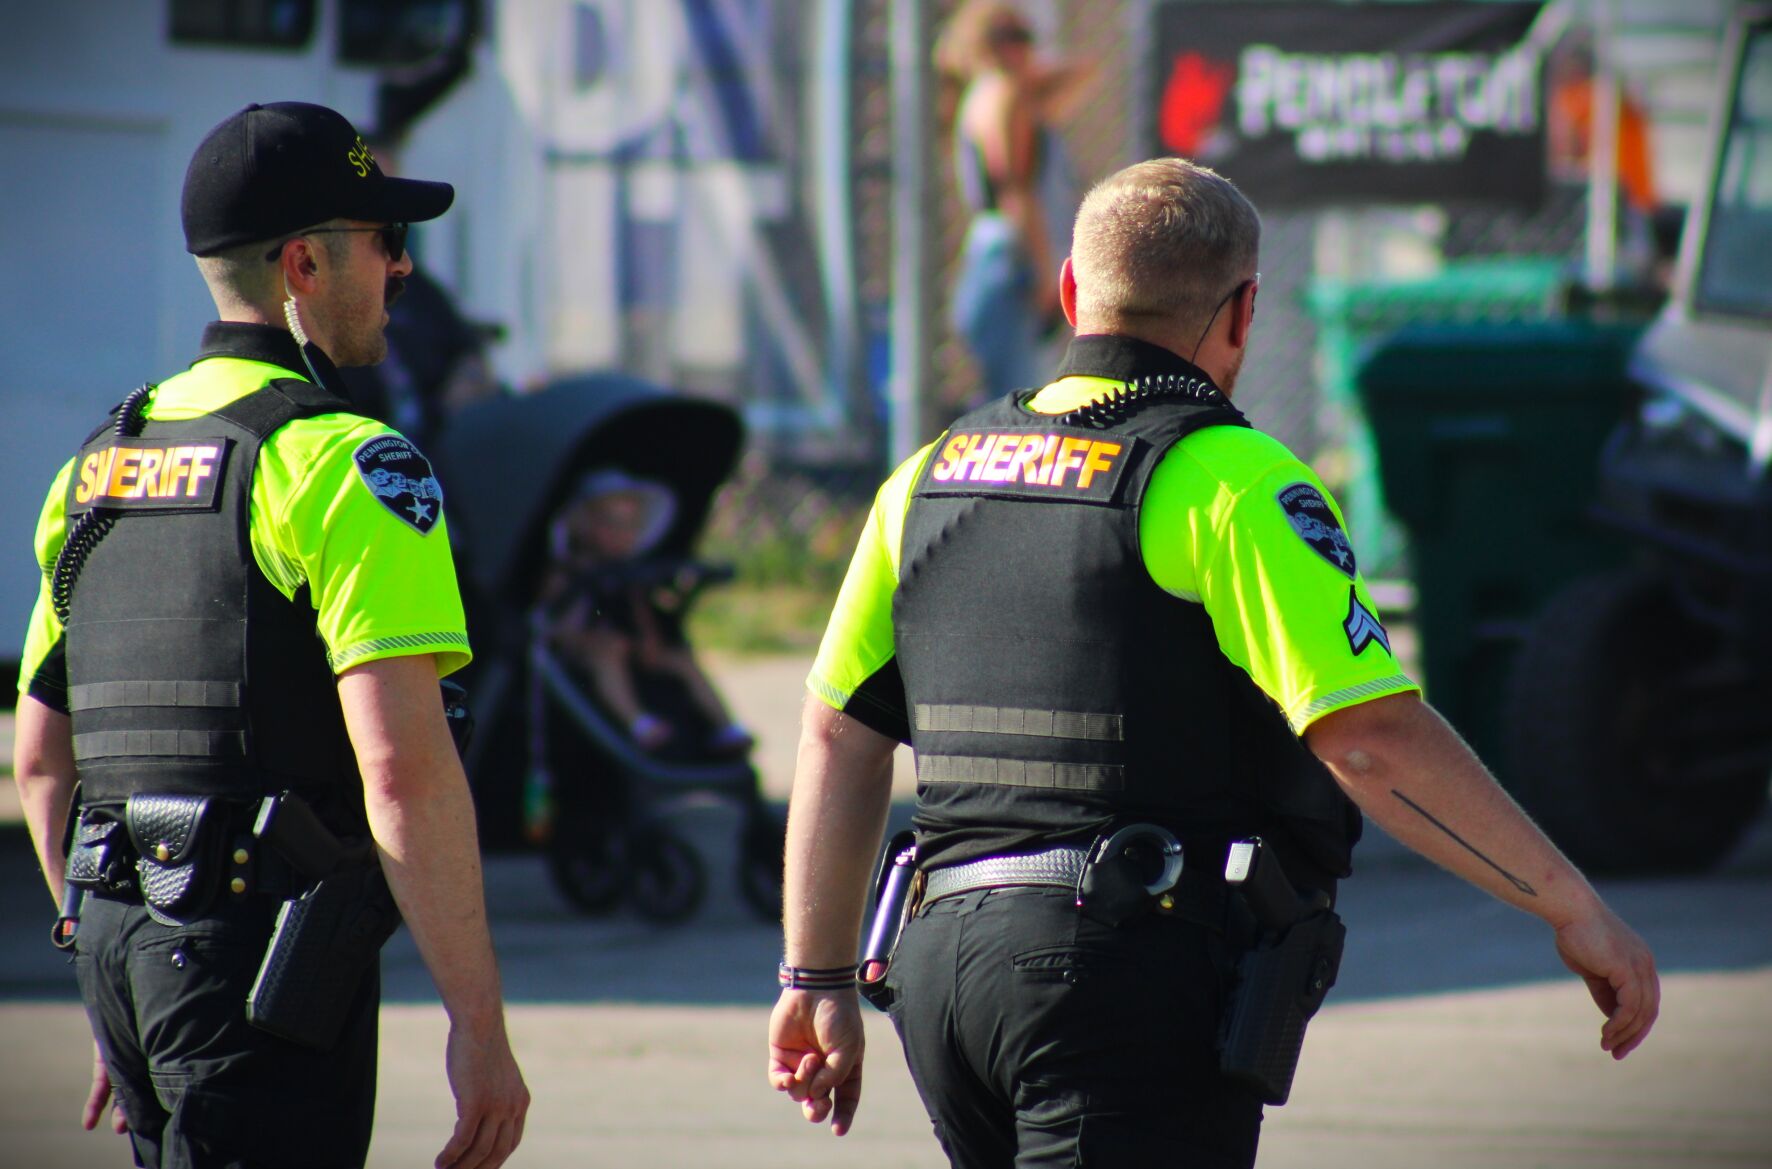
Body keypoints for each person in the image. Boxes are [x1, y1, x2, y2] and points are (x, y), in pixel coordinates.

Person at [766, 157, 1659, 1168]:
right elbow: (1365, 740)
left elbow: (837, 732)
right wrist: (1567, 902)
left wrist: (815, 979)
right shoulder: (1231, 479)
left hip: (940, 977)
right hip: (1116, 975)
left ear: (1068, 289)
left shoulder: (925, 476)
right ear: (1242, 310)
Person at [11, 101, 529, 1169]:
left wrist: (119, 963)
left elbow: (40, 759)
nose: (401, 271)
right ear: (304, 263)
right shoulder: (344, 464)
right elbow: (403, 770)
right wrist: (478, 1021)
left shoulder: (99, 463)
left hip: (119, 939)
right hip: (259, 967)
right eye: (386, 242)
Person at [935, 1, 1094, 403]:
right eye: (1009, 38)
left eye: (1027, 37)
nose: (1023, 49)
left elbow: (1083, 75)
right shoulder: (1003, 96)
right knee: (1016, 408)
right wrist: (1045, 274)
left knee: (1008, 401)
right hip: (1011, 263)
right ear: (982, 43)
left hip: (995, 260)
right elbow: (1015, 193)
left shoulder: (999, 95)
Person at [536, 470, 752, 756]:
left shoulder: (630, 575)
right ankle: (638, 723)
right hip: (581, 651)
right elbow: (553, 624)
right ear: (584, 524)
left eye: (630, 525)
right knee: (610, 650)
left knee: (681, 659)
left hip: (627, 648)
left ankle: (724, 727)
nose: (622, 534)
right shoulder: (567, 572)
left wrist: (650, 644)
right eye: (611, 524)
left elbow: (641, 616)